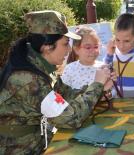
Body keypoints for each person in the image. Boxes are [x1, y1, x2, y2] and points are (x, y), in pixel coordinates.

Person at [0, 10, 115, 154]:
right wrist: (97, 85)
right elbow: (71, 118)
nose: (68, 50)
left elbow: (65, 93)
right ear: (47, 47)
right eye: (65, 44)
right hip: (18, 148)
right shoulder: (29, 80)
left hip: (36, 138)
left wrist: (100, 88)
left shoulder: (40, 64)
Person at [104, 13, 134, 98]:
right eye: (117, 40)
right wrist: (109, 55)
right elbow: (104, 78)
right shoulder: (113, 53)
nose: (121, 46)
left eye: (126, 41)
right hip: (118, 103)